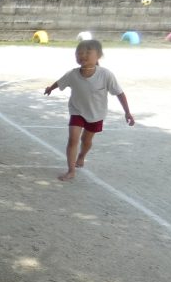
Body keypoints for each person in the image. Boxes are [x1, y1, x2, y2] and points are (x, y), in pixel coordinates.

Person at [44, 39, 134, 181]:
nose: (83, 55)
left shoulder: (106, 75)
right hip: (77, 111)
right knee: (73, 139)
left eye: (87, 52)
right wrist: (50, 88)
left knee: (86, 140)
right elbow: (60, 82)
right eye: (79, 53)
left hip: (96, 114)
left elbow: (119, 93)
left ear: (98, 56)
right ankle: (71, 170)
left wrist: (127, 112)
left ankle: (82, 155)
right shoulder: (72, 74)